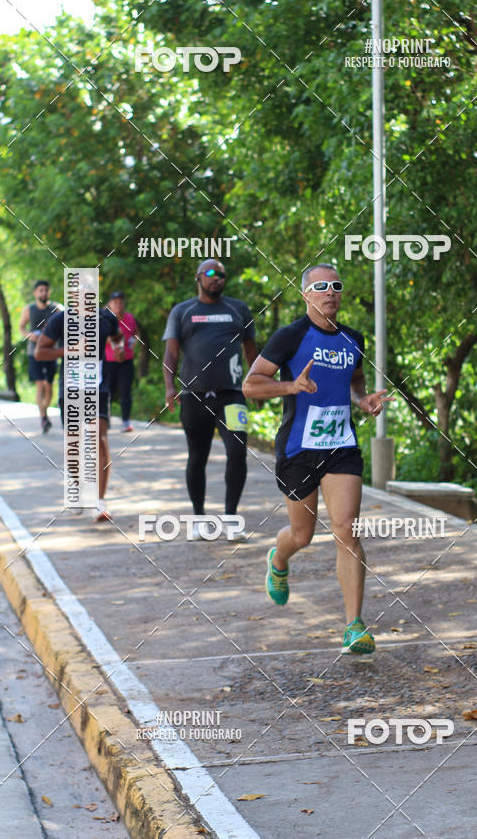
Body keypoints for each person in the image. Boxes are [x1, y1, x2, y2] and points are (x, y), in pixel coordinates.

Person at [242, 263, 393, 654]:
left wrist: (362, 400)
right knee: (303, 535)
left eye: (336, 286)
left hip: (341, 445)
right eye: (321, 286)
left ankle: (354, 626)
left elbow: (354, 381)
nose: (330, 292)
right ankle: (279, 557)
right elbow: (251, 384)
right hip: (298, 449)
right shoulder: (290, 336)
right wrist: (290, 385)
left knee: (346, 530)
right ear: (306, 294)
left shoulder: (353, 339)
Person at [162, 259, 258, 540]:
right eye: (212, 274)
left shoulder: (238, 309)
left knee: (237, 452)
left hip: (232, 395)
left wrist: (257, 385)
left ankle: (230, 518)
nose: (218, 279)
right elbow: (170, 354)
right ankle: (199, 519)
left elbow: (252, 352)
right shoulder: (183, 312)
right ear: (199, 278)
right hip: (195, 396)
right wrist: (170, 387)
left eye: (223, 275)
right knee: (197, 456)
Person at [34, 305, 124, 522]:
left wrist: (118, 347)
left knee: (98, 437)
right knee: (73, 444)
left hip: (97, 388)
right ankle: (76, 484)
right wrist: (70, 350)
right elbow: (40, 352)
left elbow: (117, 336)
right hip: (71, 390)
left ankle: (99, 503)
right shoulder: (61, 320)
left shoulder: (106, 317)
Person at [19, 280, 62, 432]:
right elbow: (21, 327)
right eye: (40, 290)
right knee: (41, 384)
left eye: (46, 290)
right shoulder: (29, 309)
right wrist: (29, 336)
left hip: (51, 352)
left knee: (49, 385)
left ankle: (44, 413)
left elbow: (66, 324)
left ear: (48, 292)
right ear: (35, 293)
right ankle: (43, 417)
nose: (43, 293)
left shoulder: (56, 308)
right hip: (34, 352)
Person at [105, 291, 139, 432]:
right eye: (115, 302)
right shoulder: (105, 318)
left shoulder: (129, 318)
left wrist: (133, 342)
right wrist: (116, 347)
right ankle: (105, 418)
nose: (118, 304)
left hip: (126, 361)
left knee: (126, 391)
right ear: (110, 304)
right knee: (108, 392)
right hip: (109, 360)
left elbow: (136, 333)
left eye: (120, 302)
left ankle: (126, 421)